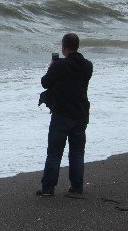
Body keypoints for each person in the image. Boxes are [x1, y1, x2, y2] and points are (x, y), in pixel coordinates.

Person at [37, 33, 93, 196]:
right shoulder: (87, 65)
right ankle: (76, 187)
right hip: (81, 113)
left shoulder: (58, 66)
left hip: (62, 114)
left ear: (64, 47)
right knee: (77, 151)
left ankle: (48, 188)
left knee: (55, 152)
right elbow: (74, 74)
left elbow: (45, 82)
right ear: (77, 46)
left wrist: (51, 66)